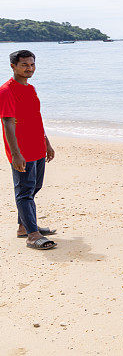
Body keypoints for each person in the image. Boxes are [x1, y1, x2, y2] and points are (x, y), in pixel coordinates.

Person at [0, 50, 57, 250]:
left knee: (34, 188)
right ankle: (32, 235)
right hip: (21, 150)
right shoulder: (6, 90)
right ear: (13, 66)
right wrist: (15, 154)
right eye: (24, 65)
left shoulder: (31, 89)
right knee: (24, 192)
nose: (29, 68)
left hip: (37, 147)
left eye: (32, 64)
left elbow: (36, 119)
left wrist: (46, 143)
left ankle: (24, 226)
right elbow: (7, 123)